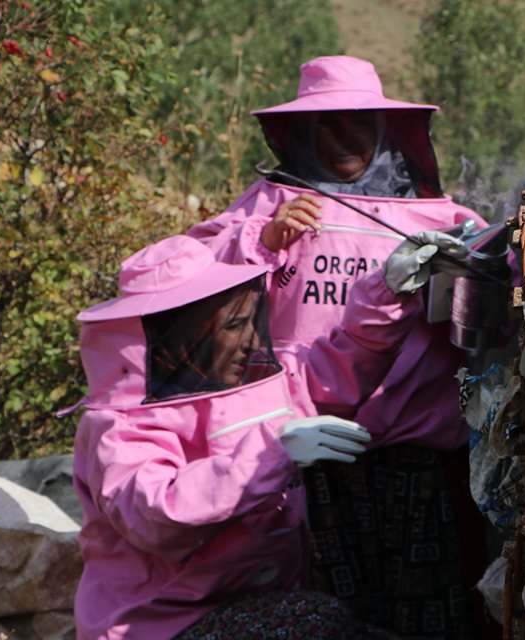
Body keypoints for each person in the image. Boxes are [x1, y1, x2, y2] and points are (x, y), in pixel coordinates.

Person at [188, 55, 497, 638]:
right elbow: (181, 279)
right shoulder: (264, 205)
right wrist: (263, 238)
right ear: (299, 132)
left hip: (418, 460)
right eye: (326, 123)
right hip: (304, 451)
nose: (344, 136)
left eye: (358, 121)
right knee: (322, 613)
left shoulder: (441, 216)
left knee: (426, 618)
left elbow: (493, 315)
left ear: (384, 129)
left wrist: (473, 270)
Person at [69, 231, 463, 639]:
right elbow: (157, 512)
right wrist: (271, 456)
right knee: (316, 620)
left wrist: (388, 289)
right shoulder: (116, 427)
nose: (252, 341)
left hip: (250, 597)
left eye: (250, 322)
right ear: (182, 339)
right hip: (156, 624)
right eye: (236, 326)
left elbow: (328, 377)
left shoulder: (249, 378)